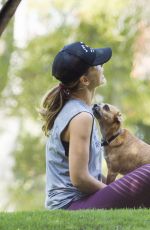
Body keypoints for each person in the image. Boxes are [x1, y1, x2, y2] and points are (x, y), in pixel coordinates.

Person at [40, 41, 150, 210]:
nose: (102, 65)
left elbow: (89, 175)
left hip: (76, 201)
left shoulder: (77, 109)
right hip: (70, 205)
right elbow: (79, 178)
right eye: (97, 64)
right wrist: (114, 193)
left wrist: (116, 192)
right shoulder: (81, 117)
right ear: (84, 80)